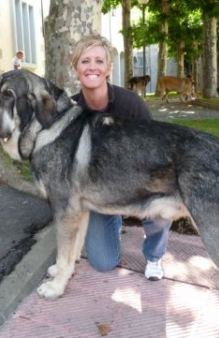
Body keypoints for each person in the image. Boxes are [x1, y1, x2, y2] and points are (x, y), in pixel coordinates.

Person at [70, 34, 172, 281]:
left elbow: (155, 149)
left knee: (164, 199)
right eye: (85, 61)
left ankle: (155, 257)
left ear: (109, 68)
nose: (92, 66)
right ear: (76, 68)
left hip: (140, 181)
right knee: (103, 263)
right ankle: (112, 222)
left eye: (98, 61)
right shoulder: (71, 111)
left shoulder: (131, 104)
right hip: (100, 192)